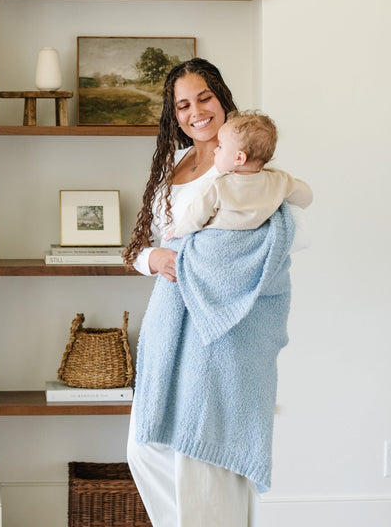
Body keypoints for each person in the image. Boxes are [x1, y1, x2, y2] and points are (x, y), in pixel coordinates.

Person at [123, 58, 311, 527]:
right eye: (183, 105)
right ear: (175, 116)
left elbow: (287, 236)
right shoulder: (174, 163)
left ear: (222, 97)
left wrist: (194, 255)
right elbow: (146, 243)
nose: (196, 112)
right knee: (146, 451)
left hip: (222, 327)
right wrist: (156, 259)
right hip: (171, 317)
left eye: (204, 98)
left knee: (202, 457)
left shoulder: (249, 170)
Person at [164, 109, 313, 240]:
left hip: (218, 241)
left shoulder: (217, 185)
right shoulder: (279, 180)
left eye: (220, 146)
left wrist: (179, 232)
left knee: (174, 244)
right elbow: (306, 196)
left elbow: (196, 216)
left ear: (239, 158)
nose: (215, 151)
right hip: (254, 242)